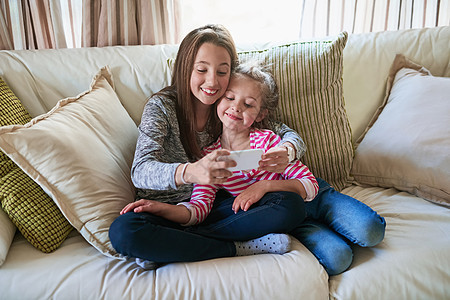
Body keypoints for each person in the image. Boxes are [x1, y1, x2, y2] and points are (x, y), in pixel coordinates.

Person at [109, 24, 307, 267]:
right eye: (202, 69)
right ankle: (236, 248)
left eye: (222, 72)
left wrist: (288, 150)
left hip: (216, 206)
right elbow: (140, 171)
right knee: (124, 231)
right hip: (167, 210)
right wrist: (190, 172)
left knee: (288, 205)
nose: (212, 82)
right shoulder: (162, 107)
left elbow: (284, 132)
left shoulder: (227, 107)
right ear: (185, 69)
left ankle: (171, 247)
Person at [180, 62, 319, 227]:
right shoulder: (210, 156)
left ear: (260, 115)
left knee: (338, 247)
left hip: (291, 208)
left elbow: (310, 184)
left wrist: (264, 186)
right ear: (218, 100)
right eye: (230, 98)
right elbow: (199, 207)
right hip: (256, 220)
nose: (236, 107)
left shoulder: (268, 142)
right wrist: (162, 209)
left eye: (248, 104)